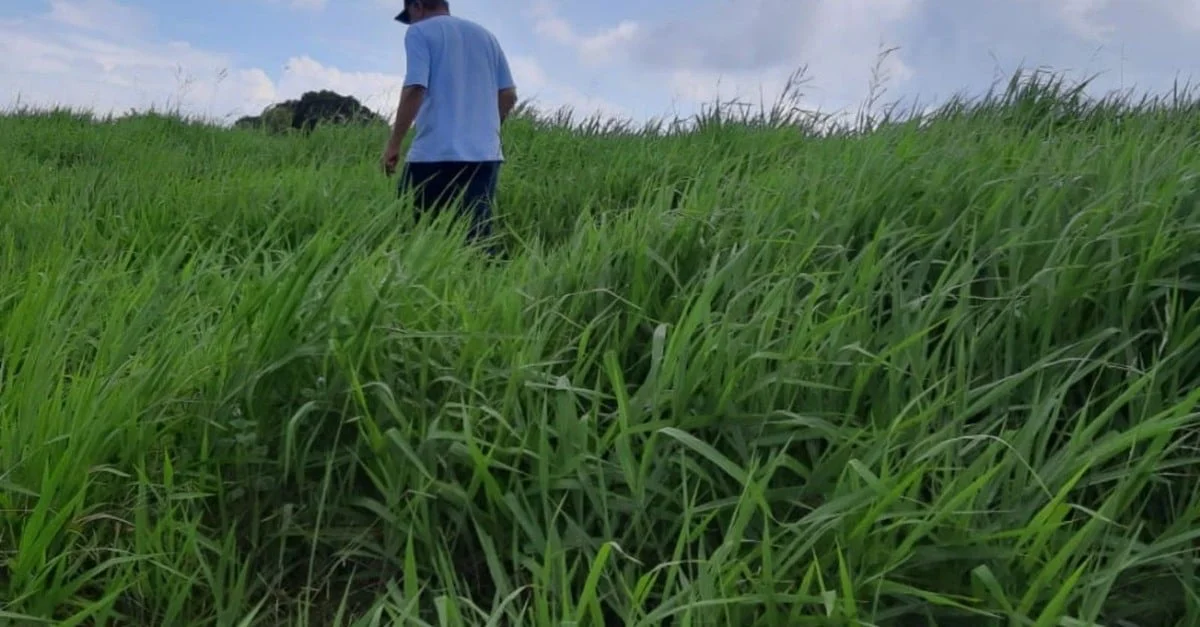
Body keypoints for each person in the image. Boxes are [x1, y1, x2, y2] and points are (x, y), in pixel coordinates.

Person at [380, 0, 519, 253]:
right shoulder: (486, 37)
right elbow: (508, 94)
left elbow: (415, 88)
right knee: (476, 242)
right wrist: (487, 129)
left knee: (414, 238)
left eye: (410, 16)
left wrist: (394, 144)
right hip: (485, 157)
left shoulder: (419, 32)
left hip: (433, 155)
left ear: (417, 7)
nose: (411, 22)